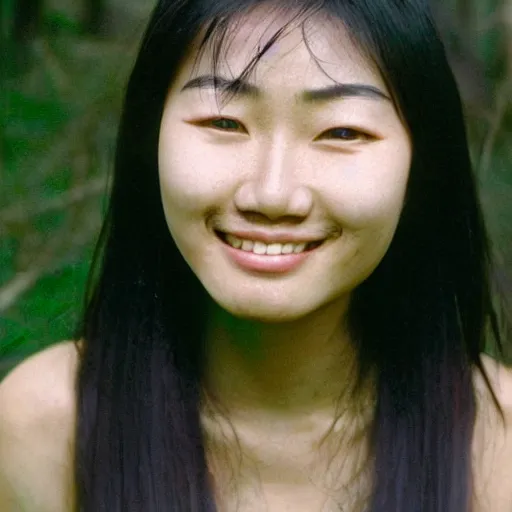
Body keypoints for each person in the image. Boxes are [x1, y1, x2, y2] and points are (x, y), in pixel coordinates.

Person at [0, 0, 511, 511]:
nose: (271, 193)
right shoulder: (45, 428)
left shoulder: (498, 448)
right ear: (148, 136)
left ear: (421, 165)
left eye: (342, 132)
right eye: (224, 123)